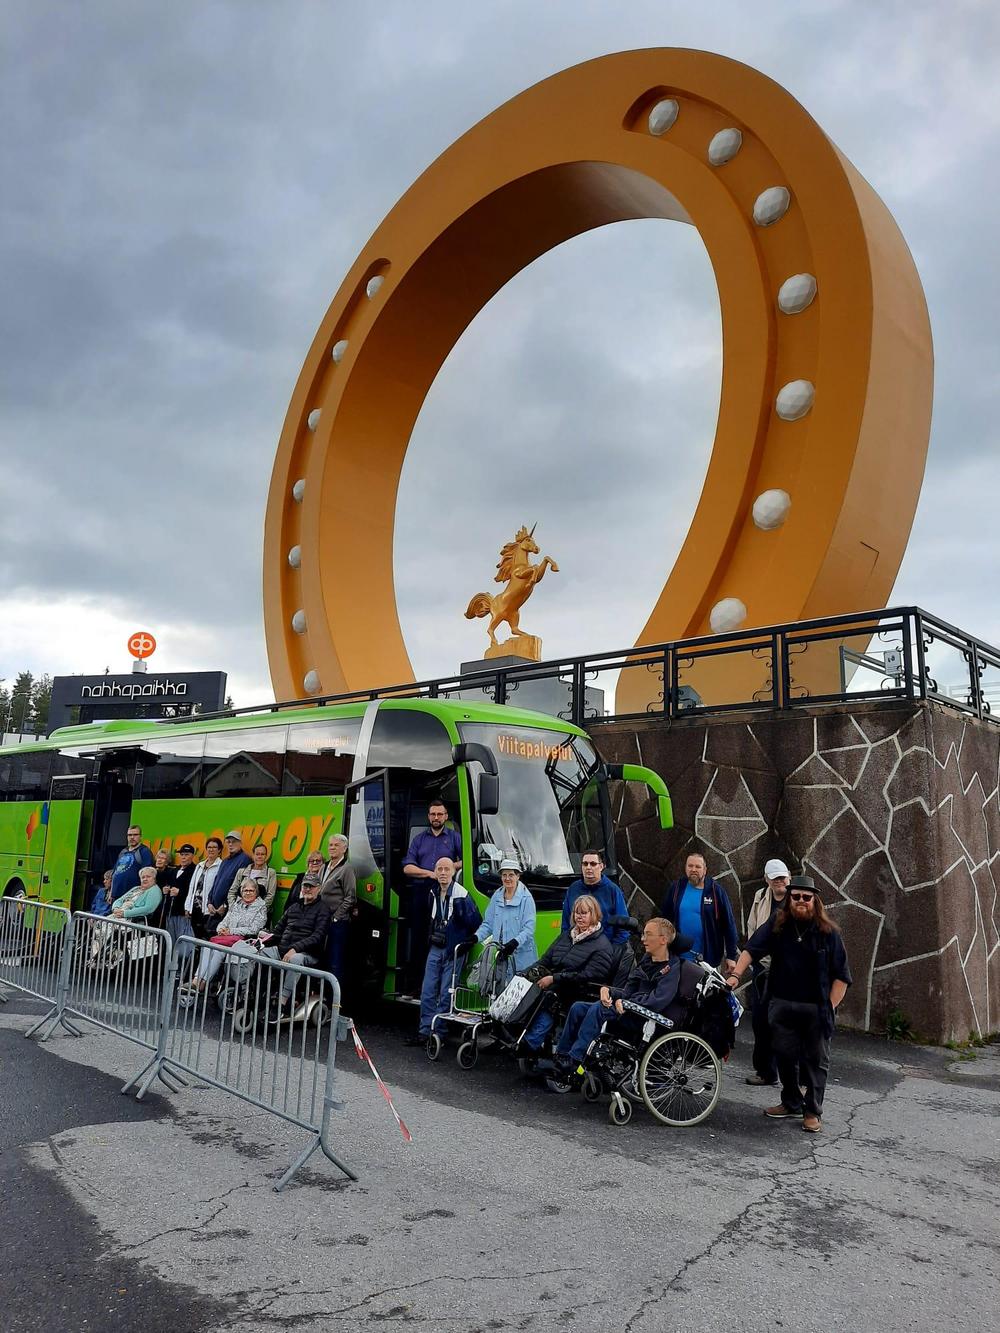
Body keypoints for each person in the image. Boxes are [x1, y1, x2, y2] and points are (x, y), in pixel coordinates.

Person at [727, 874, 851, 1133]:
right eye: (796, 897)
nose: (801, 901)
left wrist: (829, 1007)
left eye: (806, 897)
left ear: (815, 901)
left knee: (815, 1062)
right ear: (789, 899)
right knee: (783, 1056)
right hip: (782, 1004)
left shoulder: (829, 933)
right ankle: (792, 1101)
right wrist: (736, 974)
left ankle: (812, 1111)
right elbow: (751, 949)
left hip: (816, 1008)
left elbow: (841, 976)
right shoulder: (778, 924)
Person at [553, 917, 698, 1073]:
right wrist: (608, 991)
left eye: (648, 934)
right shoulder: (646, 961)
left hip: (643, 1019)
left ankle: (575, 1060)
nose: (643, 939)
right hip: (628, 1009)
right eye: (643, 934)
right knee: (578, 1007)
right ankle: (561, 1055)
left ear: (663, 940)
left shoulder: (671, 969)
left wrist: (627, 1003)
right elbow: (628, 991)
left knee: (599, 1009)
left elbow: (657, 1001)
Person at [517, 895, 614, 1054]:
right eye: (577, 913)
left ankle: (530, 1043)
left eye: (584, 913)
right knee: (527, 987)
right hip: (558, 983)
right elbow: (545, 960)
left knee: (550, 998)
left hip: (579, 989)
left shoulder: (602, 945)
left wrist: (554, 978)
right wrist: (525, 974)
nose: (579, 917)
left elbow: (589, 976)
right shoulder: (567, 935)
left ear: (594, 914)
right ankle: (514, 1032)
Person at [229, 873, 332, 1019]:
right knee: (255, 952)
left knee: (295, 959)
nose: (308, 889)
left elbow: (318, 936)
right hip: (282, 950)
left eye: (311, 886)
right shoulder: (294, 907)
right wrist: (262, 940)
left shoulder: (323, 909)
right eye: (305, 886)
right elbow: (278, 931)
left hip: (307, 953)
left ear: (319, 888)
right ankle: (251, 994)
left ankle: (282, 1002)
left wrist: (295, 949)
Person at [408, 857, 481, 1046]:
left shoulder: (461, 894)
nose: (442, 873)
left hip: (453, 949)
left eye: (446, 869)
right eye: (439, 869)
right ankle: (425, 1031)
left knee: (446, 992)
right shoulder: (433, 892)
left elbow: (475, 922)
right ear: (435, 872)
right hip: (436, 946)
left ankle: (439, 1032)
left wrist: (463, 943)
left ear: (453, 872)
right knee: (428, 990)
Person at [401, 800, 463, 993]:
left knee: (441, 939)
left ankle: (438, 989)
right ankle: (414, 987)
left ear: (446, 816)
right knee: (418, 939)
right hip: (421, 892)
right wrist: (431, 873)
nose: (436, 817)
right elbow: (407, 868)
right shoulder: (419, 839)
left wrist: (447, 868)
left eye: (440, 814)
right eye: (433, 814)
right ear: (428, 816)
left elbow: (466, 861)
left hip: (445, 892)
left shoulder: (455, 838)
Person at [743, 858, 791, 1086]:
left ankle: (792, 1077)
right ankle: (765, 1071)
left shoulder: (797, 900)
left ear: (789, 877)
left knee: (784, 1024)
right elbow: (753, 927)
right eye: (775, 878)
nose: (779, 881)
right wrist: (753, 958)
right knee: (760, 1021)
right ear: (767, 880)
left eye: (782, 877)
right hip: (762, 966)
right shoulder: (760, 896)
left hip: (787, 970)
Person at [180, 877, 269, 997]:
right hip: (226, 938)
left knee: (219, 951)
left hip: (243, 941)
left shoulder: (261, 907)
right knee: (208, 947)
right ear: (241, 892)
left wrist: (231, 931)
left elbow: (255, 929)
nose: (248, 893)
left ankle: (203, 983)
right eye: (245, 890)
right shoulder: (237, 904)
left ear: (256, 892)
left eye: (251, 890)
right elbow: (225, 921)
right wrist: (221, 929)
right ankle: (196, 980)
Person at [659, 850, 738, 972]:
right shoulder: (676, 888)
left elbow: (729, 924)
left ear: (705, 870)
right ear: (685, 868)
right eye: (690, 866)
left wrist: (731, 956)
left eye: (698, 866)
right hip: (679, 957)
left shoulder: (716, 891)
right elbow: (664, 920)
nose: (693, 869)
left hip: (708, 960)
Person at [474, 859, 538, 990]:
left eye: (511, 875)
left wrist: (514, 943)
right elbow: (488, 924)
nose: (507, 878)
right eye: (504, 875)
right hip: (501, 956)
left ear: (518, 876)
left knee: (519, 994)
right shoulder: (497, 896)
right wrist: (475, 937)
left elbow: (529, 929)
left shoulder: (526, 898)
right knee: (499, 993)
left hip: (522, 957)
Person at [560, 850, 629, 947]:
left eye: (593, 864)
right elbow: (565, 924)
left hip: (604, 949)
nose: (588, 867)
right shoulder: (573, 889)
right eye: (585, 864)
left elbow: (624, 927)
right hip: (577, 948)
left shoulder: (613, 890)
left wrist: (611, 950)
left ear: (601, 866)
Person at [318, 833, 356, 984]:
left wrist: (336, 917)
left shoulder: (347, 869)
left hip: (337, 923)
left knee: (335, 960)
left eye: (336, 845)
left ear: (344, 849)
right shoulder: (324, 867)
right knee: (322, 958)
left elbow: (350, 897)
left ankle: (334, 995)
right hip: (322, 919)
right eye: (330, 845)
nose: (332, 848)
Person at [183, 837, 225, 937]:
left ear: (219, 850)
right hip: (195, 907)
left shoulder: (221, 865)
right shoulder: (200, 865)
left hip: (209, 908)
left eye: (214, 847)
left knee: (207, 936)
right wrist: (187, 906)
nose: (211, 849)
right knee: (196, 935)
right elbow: (192, 887)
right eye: (209, 847)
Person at [228, 841, 278, 915]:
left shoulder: (270, 873)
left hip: (258, 914)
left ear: (266, 856)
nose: (260, 856)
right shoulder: (241, 872)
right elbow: (232, 892)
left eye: (262, 854)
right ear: (253, 855)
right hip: (238, 912)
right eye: (257, 854)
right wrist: (233, 908)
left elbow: (270, 896)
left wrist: (255, 911)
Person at [161, 843, 197, 944]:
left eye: (186, 855)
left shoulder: (195, 870)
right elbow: (167, 884)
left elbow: (194, 891)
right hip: (170, 911)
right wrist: (165, 890)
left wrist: (180, 892)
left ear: (192, 856)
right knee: (170, 940)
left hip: (183, 912)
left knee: (183, 940)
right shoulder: (174, 870)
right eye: (182, 854)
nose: (183, 857)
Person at [109, 825, 154, 903]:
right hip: (116, 895)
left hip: (132, 896)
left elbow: (147, 875)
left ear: (140, 837)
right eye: (130, 835)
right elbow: (115, 873)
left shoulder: (144, 851)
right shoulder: (123, 852)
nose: (132, 837)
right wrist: (111, 892)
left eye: (135, 835)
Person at [210, 830, 252, 913]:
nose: (230, 844)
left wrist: (225, 905)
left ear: (240, 843)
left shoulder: (245, 860)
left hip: (228, 910)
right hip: (214, 909)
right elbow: (215, 882)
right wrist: (209, 902)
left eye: (234, 842)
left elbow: (240, 887)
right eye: (228, 842)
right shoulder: (225, 861)